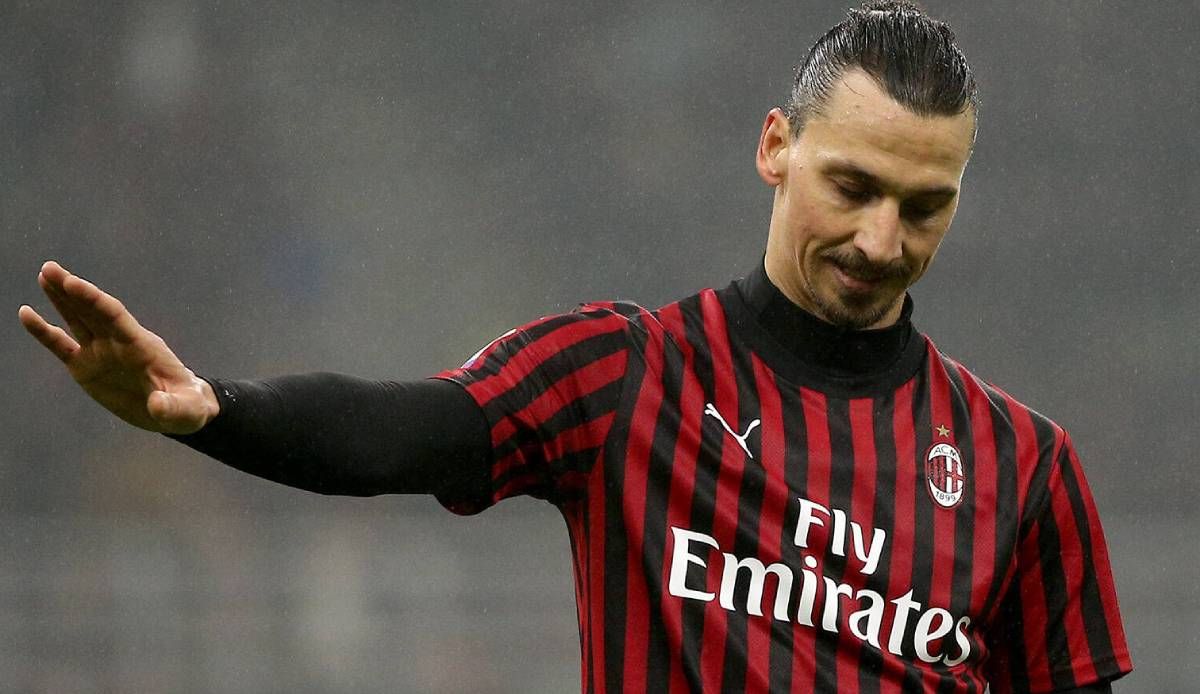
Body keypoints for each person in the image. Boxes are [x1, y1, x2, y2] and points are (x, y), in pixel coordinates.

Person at [19, 2, 1131, 691]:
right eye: (853, 187)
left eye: (925, 206)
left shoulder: (1026, 465)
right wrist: (213, 407)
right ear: (775, 148)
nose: (883, 240)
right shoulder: (626, 375)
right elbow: (410, 431)